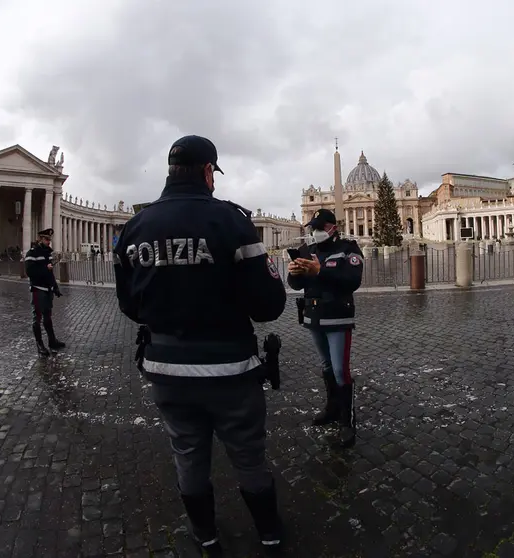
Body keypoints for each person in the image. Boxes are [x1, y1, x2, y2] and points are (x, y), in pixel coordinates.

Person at [112, 135, 287, 553]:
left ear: (170, 172)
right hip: (229, 366)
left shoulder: (134, 227)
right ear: (209, 171)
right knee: (248, 456)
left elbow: (128, 304)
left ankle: (206, 537)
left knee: (188, 454)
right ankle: (270, 534)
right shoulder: (231, 220)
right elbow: (267, 306)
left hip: (166, 366)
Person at [287, 208, 364, 448]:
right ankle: (332, 408)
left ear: (333, 227)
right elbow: (297, 284)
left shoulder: (348, 249)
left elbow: (352, 280)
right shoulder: (307, 251)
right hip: (314, 316)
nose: (316, 232)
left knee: (341, 370)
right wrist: (294, 274)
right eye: (314, 228)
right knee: (327, 366)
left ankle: (347, 422)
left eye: (321, 227)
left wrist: (320, 271)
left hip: (338, 317)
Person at [24, 228, 65, 357]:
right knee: (37, 317)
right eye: (47, 239)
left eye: (50, 239)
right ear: (40, 239)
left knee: (48, 317)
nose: (49, 242)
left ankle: (52, 341)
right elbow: (30, 272)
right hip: (38, 289)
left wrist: (55, 286)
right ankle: (39, 344)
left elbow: (50, 272)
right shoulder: (32, 253)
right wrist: (45, 268)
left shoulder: (48, 253)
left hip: (48, 290)